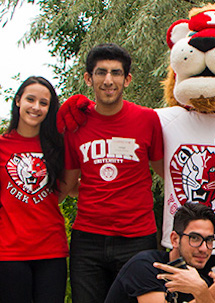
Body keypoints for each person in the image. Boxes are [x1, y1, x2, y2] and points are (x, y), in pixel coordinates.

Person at [61, 43, 164, 303]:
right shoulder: (76, 125)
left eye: (116, 73)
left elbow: (167, 174)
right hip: (88, 240)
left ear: (127, 79)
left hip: (137, 238)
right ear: (88, 78)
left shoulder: (148, 119)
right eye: (101, 72)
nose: (109, 80)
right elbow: (67, 186)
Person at [0, 76, 68, 302]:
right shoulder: (2, 146)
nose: (36, 107)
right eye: (31, 99)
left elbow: (67, 188)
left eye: (44, 103)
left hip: (51, 250)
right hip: (9, 252)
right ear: (18, 101)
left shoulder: (59, 146)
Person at [105, 202, 215, 303]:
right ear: (175, 239)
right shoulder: (146, 267)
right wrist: (211, 293)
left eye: (209, 240)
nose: (203, 248)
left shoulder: (201, 283)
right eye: (195, 238)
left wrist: (205, 292)